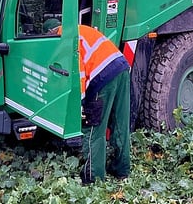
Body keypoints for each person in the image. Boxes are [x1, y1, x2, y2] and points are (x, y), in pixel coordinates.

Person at [44, 19, 131, 184]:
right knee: (121, 123)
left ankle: (94, 178)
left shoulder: (66, 39)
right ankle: (122, 169)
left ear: (52, 33)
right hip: (122, 67)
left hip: (102, 77)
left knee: (93, 129)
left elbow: (80, 76)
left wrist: (82, 106)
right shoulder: (80, 29)